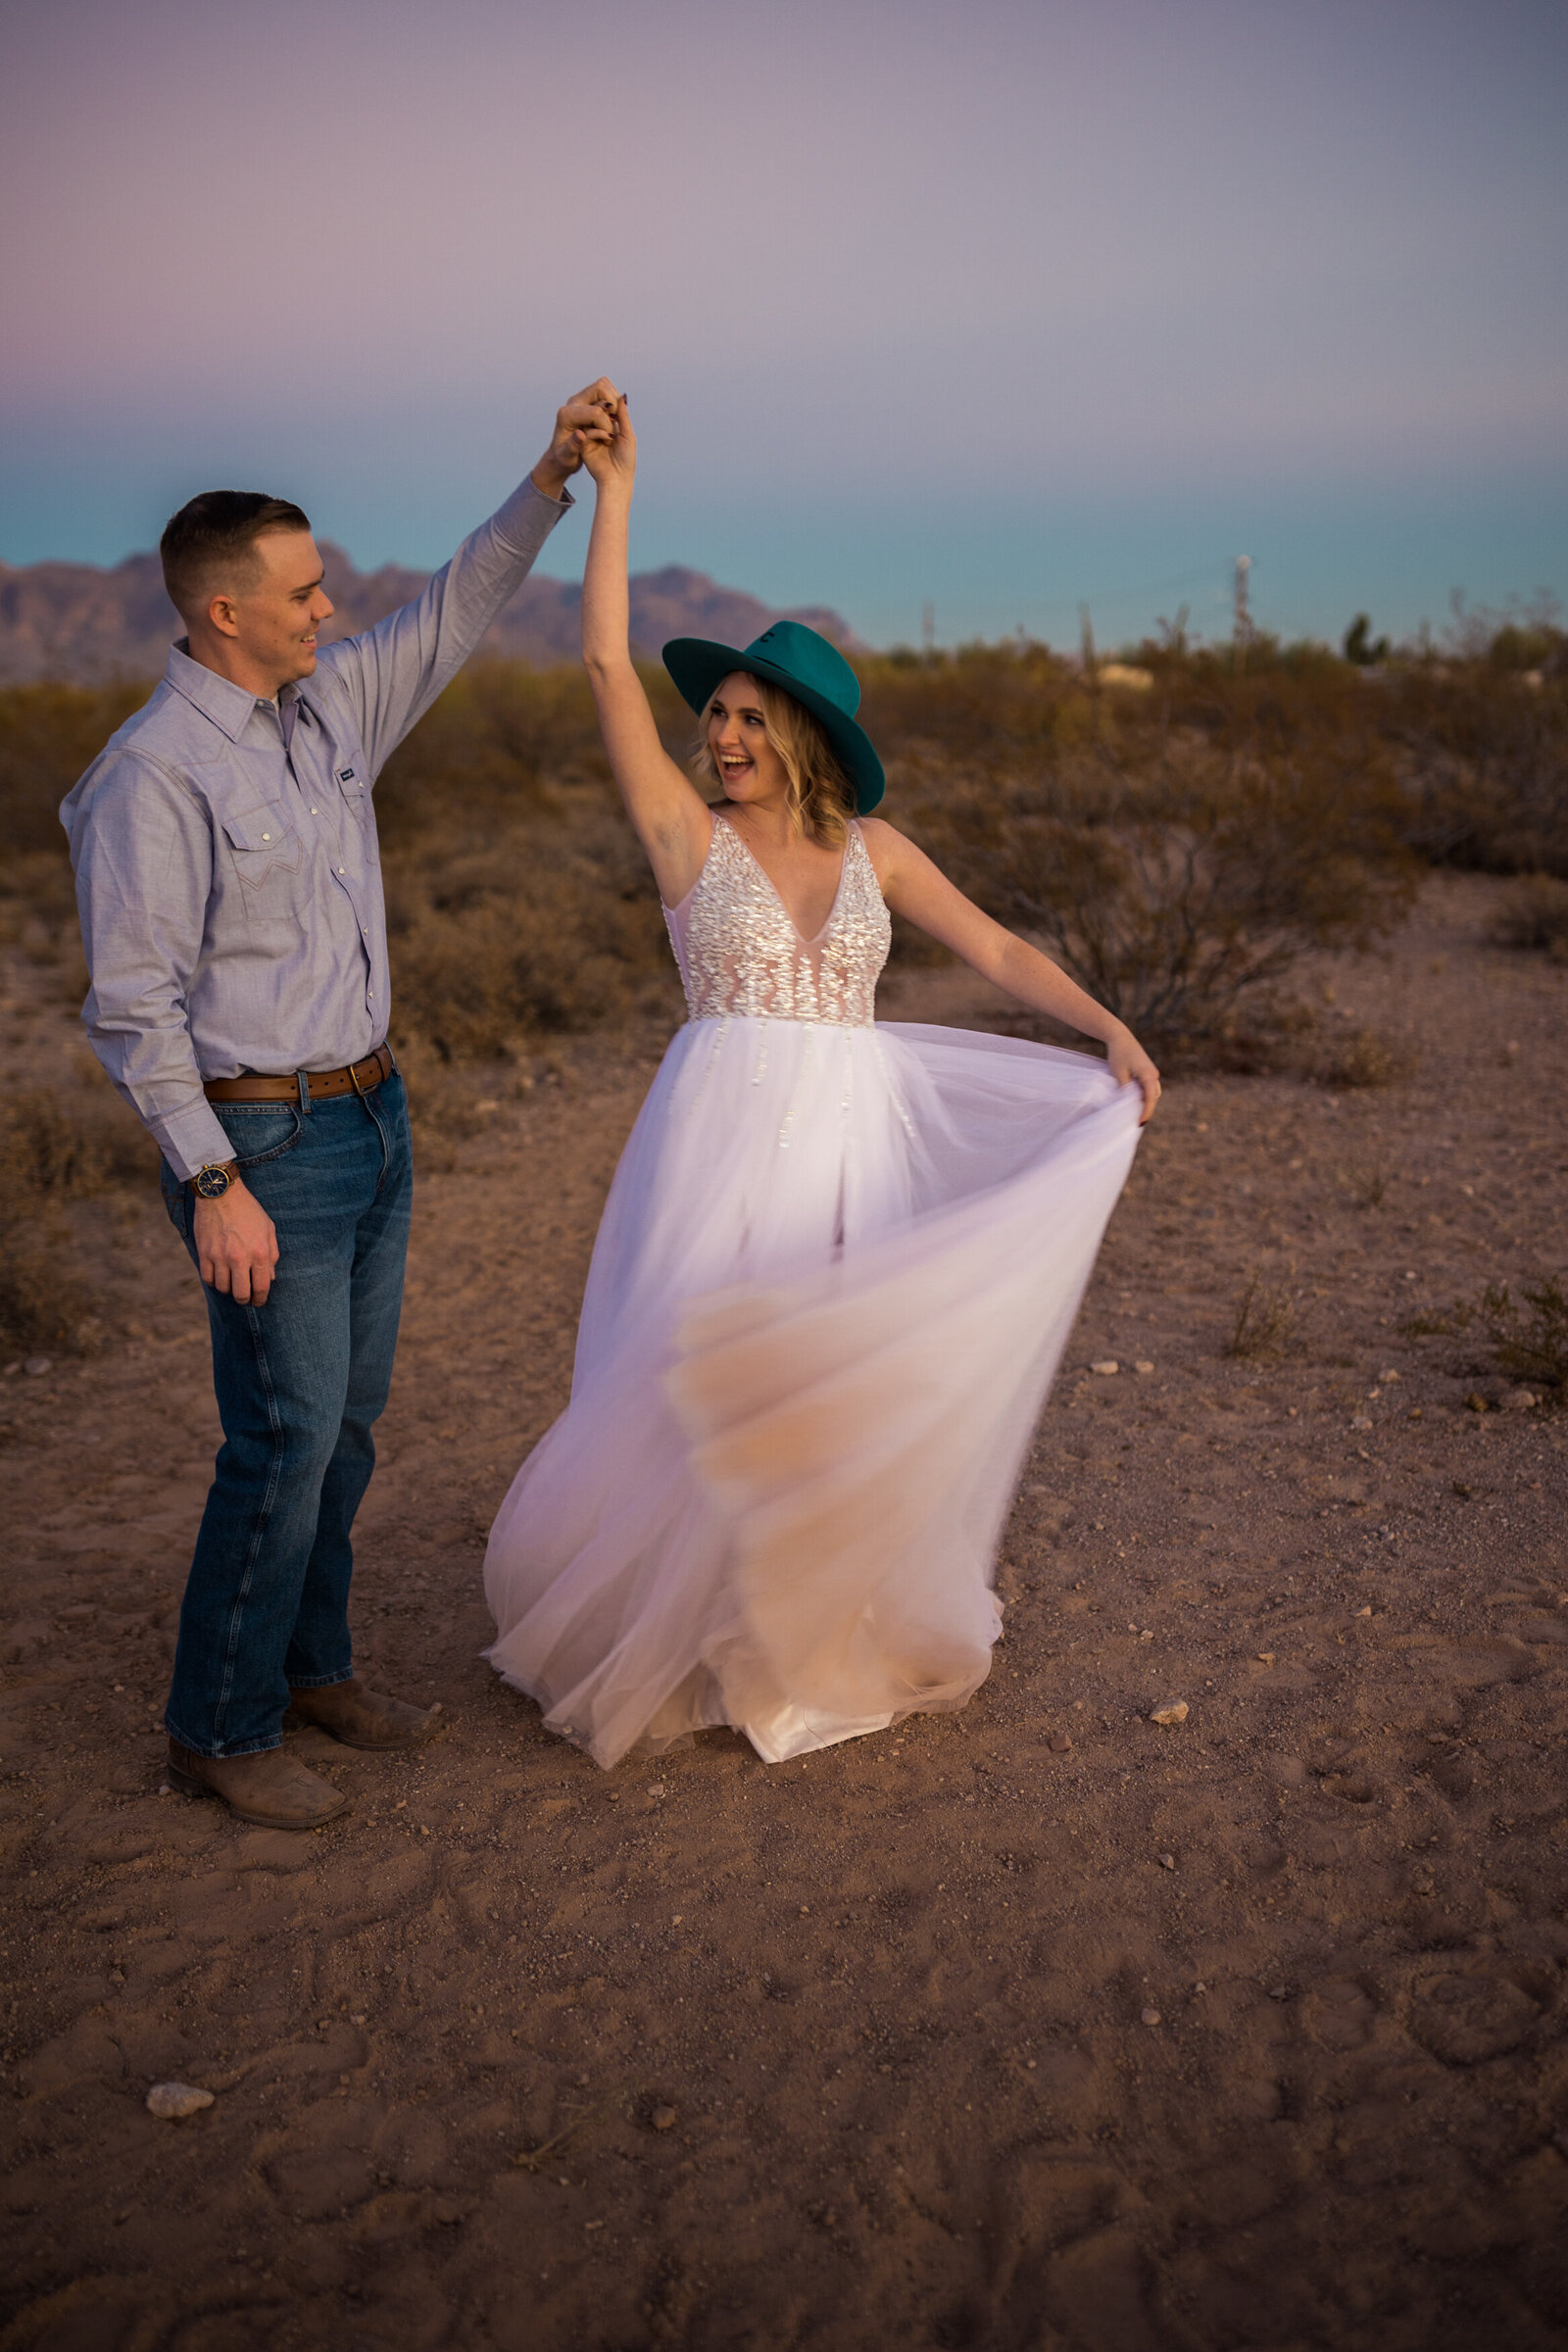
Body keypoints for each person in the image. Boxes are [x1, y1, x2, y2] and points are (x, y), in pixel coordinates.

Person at [484, 398, 1161, 1769]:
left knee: (816, 1379)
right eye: (716, 715)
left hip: (847, 1136)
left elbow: (1001, 947)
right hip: (720, 1132)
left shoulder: (880, 852)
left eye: (747, 717)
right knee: (699, 1369)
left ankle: (788, 1631)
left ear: (802, 733)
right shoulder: (686, 836)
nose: (721, 735)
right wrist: (615, 490)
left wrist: (1112, 1033)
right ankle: (674, 1626)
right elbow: (611, 669)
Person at [61, 381, 618, 1830]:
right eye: (306, 591)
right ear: (225, 613)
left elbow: (459, 601)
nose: (334, 607)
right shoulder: (150, 778)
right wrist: (209, 1182)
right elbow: (132, 1009)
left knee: (349, 1423)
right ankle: (220, 1726)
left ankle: (315, 1669)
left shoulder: (332, 707)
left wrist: (552, 475)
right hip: (265, 1145)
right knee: (282, 1437)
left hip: (376, 1119)